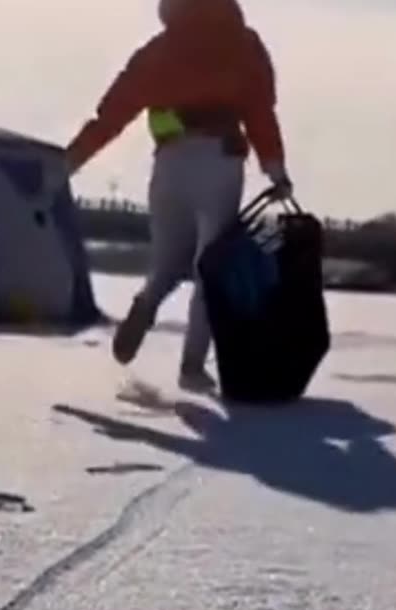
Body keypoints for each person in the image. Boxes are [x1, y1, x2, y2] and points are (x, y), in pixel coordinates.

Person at [64, 0, 292, 393]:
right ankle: (190, 368)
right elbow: (260, 112)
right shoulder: (242, 45)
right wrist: (275, 170)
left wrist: (71, 161)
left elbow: (113, 113)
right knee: (210, 269)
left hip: (169, 161)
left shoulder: (158, 50)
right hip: (218, 162)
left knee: (168, 262)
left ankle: (148, 300)